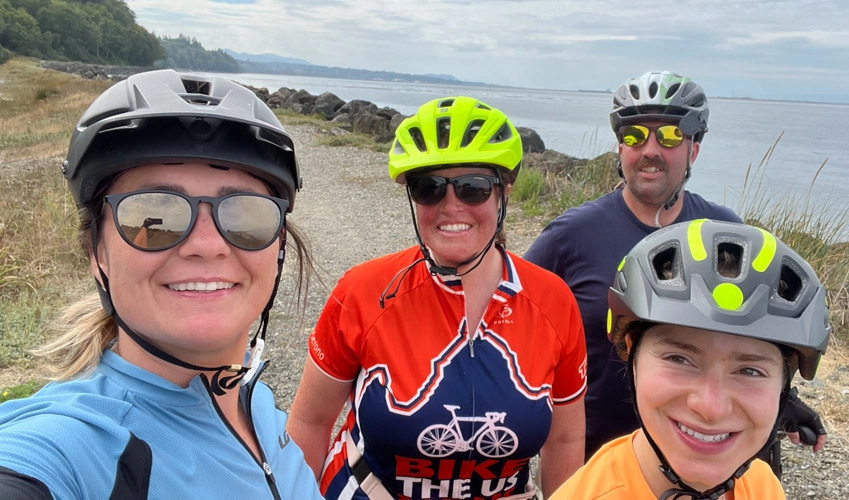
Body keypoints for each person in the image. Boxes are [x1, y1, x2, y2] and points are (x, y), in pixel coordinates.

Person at [0, 70, 324, 499]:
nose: (207, 245)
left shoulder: (255, 401)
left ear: (278, 248)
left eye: (246, 215)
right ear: (98, 254)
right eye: (154, 215)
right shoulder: (75, 445)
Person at [287, 96, 587, 500]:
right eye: (428, 189)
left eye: (473, 188)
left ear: (504, 192)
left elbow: (565, 441)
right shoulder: (363, 291)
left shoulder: (552, 302)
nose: (450, 207)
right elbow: (310, 420)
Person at [524, 70, 826, 470]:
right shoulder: (571, 236)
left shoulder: (724, 234)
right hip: (596, 459)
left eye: (668, 136)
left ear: (694, 150)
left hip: (699, 459)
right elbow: (513, 317)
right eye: (634, 136)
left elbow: (748, 333)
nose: (650, 149)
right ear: (620, 148)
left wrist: (783, 401)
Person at [552, 219, 830, 499]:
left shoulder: (762, 486)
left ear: (783, 387)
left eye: (749, 371)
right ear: (632, 354)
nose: (711, 408)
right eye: (679, 359)